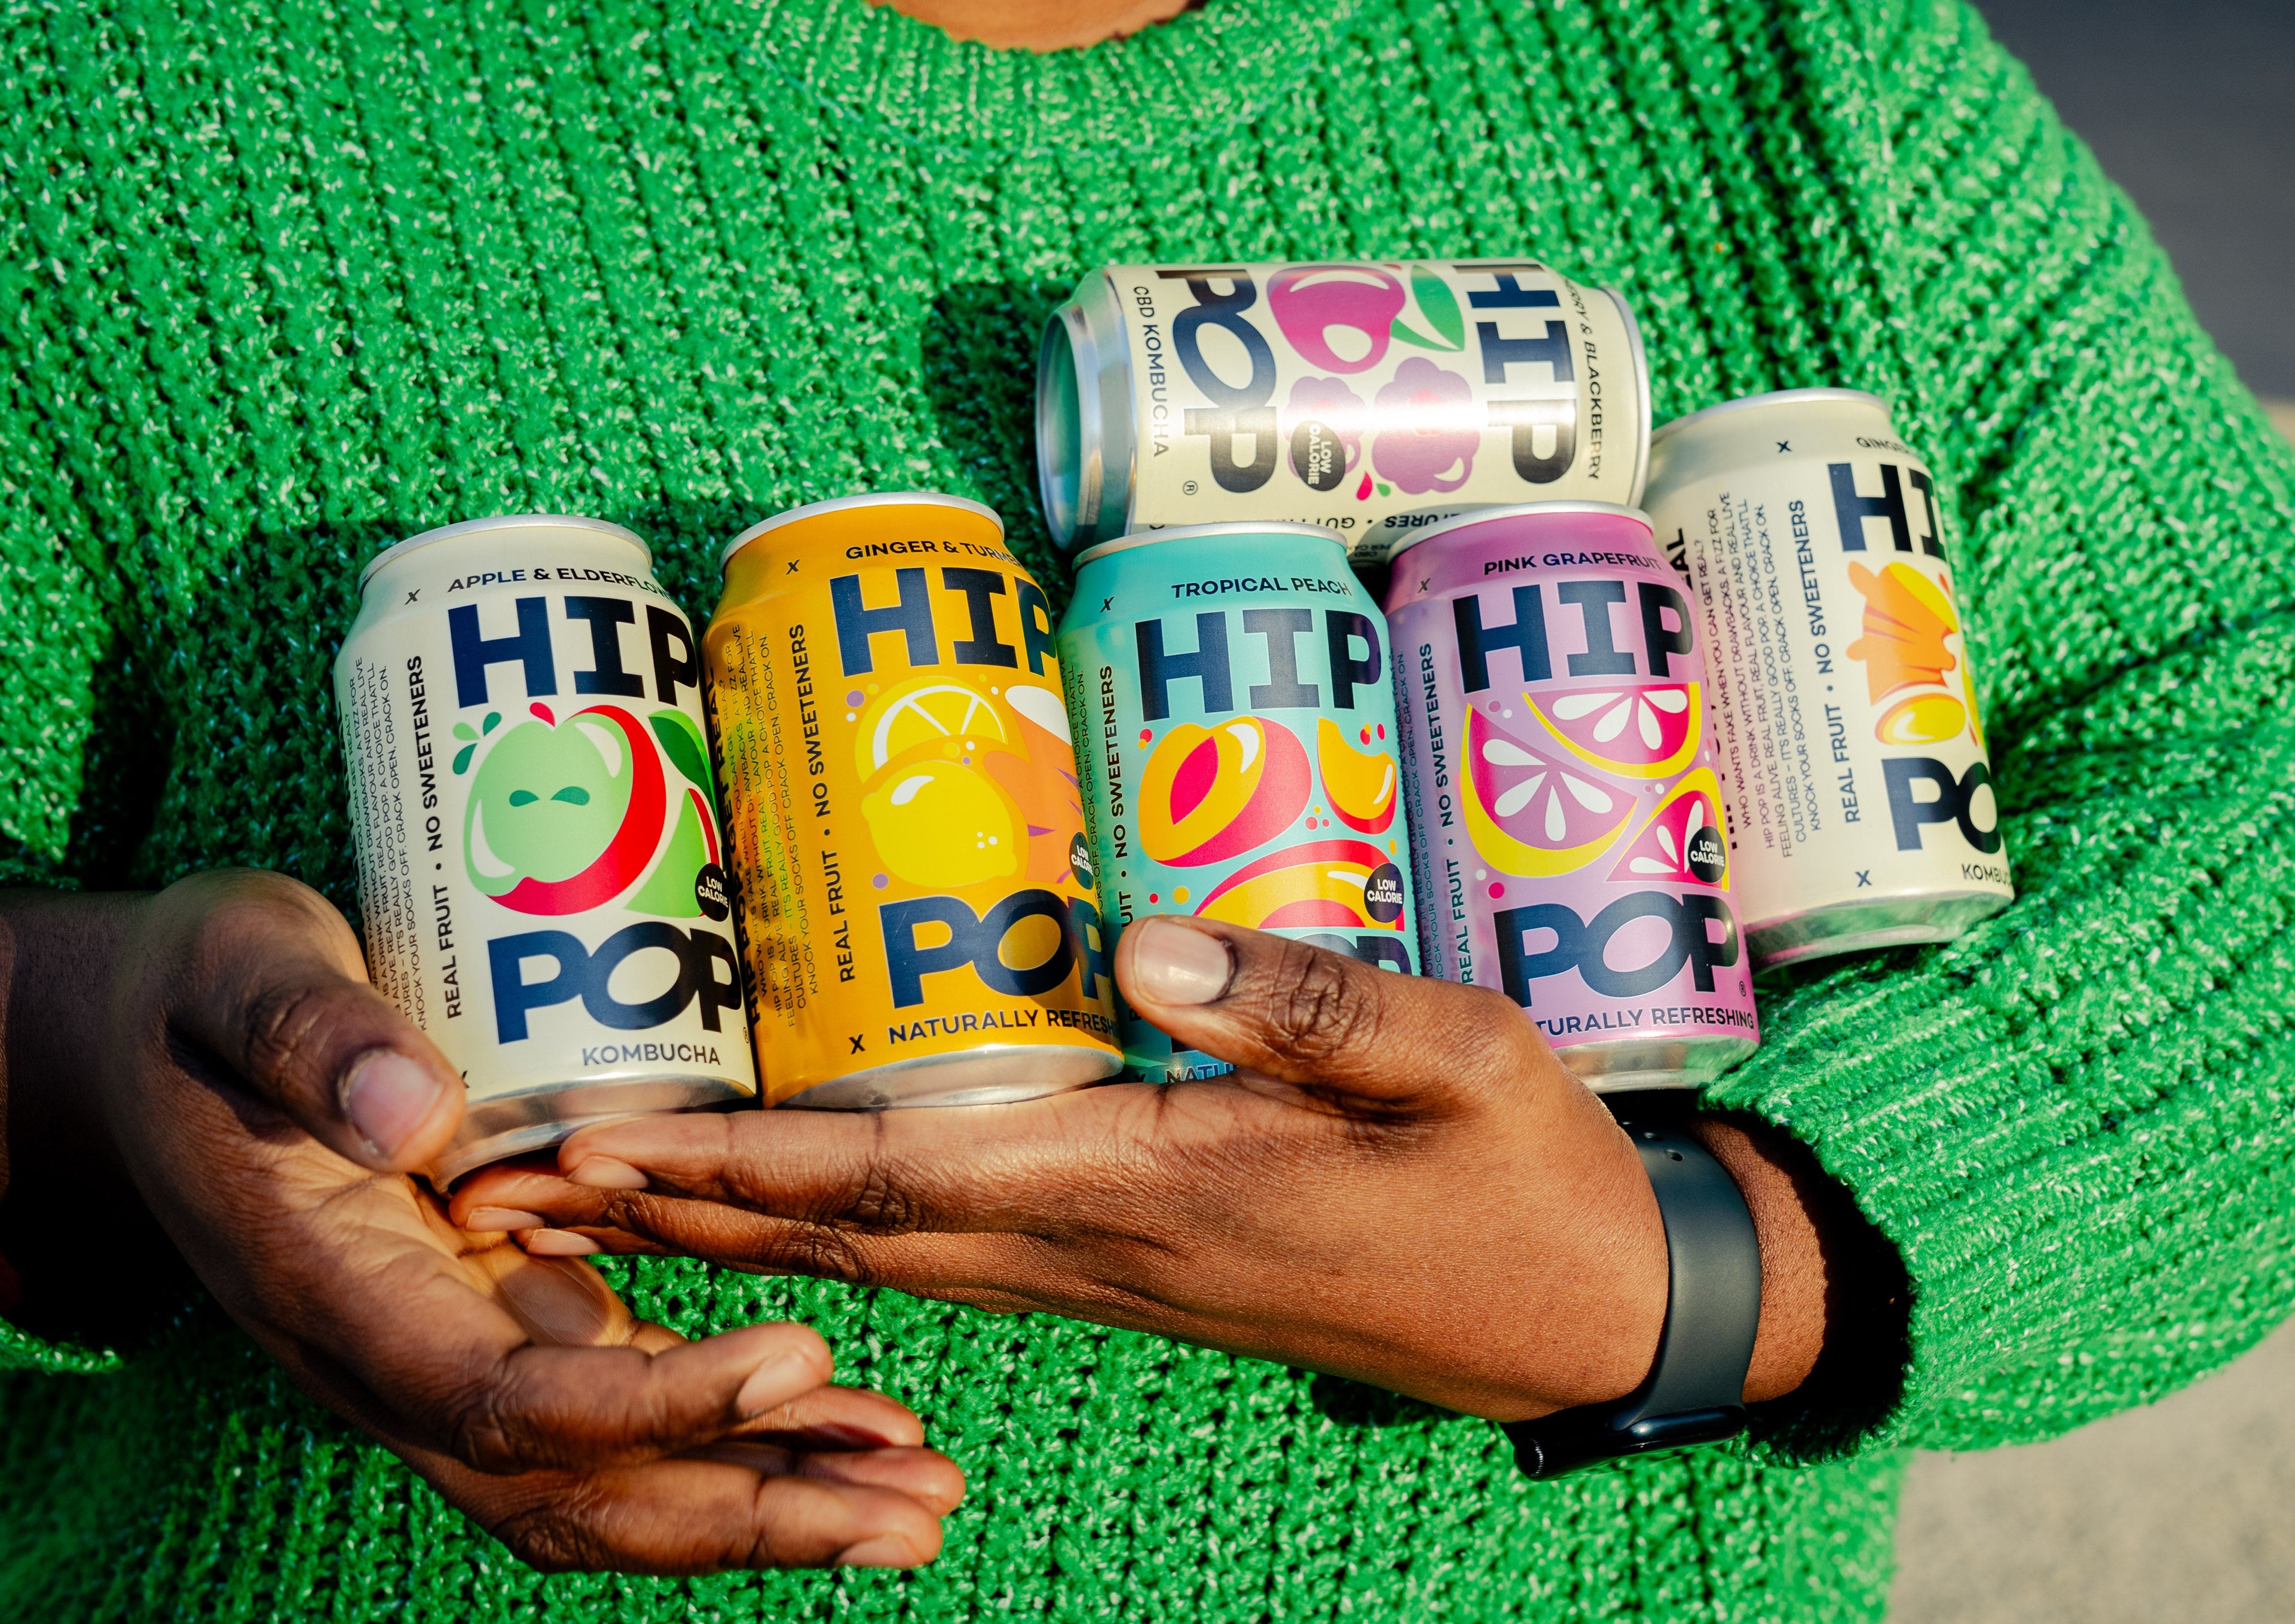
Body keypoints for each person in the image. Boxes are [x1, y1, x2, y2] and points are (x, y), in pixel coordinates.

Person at [1, 0, 2290, 1616]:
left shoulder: (1790, 61)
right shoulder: (114, 89)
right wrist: (91, 1071)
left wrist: (1703, 1266)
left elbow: (2248, 758)